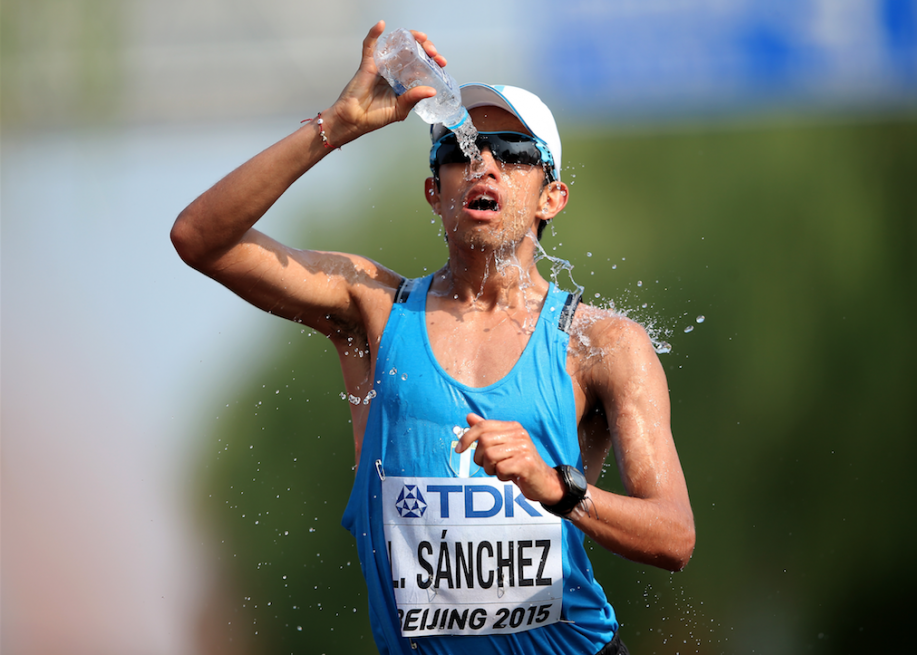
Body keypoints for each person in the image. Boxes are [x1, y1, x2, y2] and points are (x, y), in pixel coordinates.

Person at [171, 21, 694, 655]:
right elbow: (200, 238)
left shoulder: (601, 344)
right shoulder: (374, 311)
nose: (484, 163)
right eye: (458, 150)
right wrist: (335, 126)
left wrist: (557, 486)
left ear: (551, 198)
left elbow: (673, 538)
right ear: (434, 191)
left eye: (514, 151)